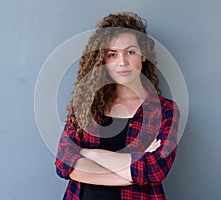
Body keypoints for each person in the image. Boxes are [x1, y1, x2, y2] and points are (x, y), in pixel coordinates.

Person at [55, 11, 180, 200]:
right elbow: (64, 164)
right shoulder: (84, 105)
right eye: (112, 54)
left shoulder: (165, 111)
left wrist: (87, 153)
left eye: (130, 52)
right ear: (103, 60)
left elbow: (154, 170)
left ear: (143, 55)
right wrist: (132, 170)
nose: (123, 62)